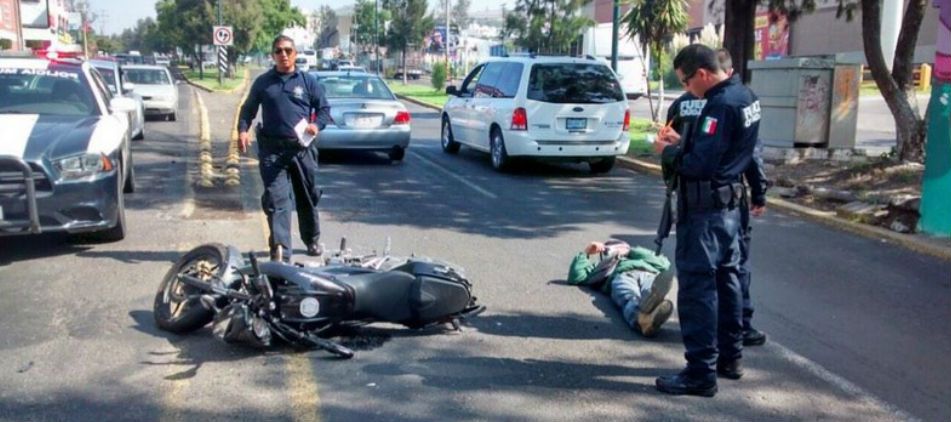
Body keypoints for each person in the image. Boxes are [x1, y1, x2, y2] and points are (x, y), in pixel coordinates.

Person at [652, 44, 762, 397]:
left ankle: (700, 372)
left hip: (705, 212)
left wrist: (668, 151)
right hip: (731, 209)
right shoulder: (745, 96)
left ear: (702, 73)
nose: (687, 90)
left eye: (686, 81)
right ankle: (730, 358)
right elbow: (727, 152)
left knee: (698, 289)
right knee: (728, 281)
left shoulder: (720, 105)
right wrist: (682, 142)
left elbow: (700, 166)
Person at [238, 35, 332, 262]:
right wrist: (242, 130)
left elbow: (324, 110)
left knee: (306, 197)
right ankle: (281, 250)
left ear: (295, 54)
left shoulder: (307, 81)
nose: (284, 55)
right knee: (276, 200)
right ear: (273, 55)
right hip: (272, 151)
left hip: (302, 150)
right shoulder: (263, 82)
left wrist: (315, 125)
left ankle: (311, 239)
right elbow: (248, 109)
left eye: (288, 50)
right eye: (279, 51)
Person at [567, 240, 675, 337]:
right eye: (607, 250)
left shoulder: (639, 255)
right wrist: (587, 252)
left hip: (648, 273)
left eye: (617, 247)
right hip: (622, 276)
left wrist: (630, 251)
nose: (614, 251)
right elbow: (576, 277)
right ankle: (641, 318)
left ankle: (652, 300)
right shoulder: (604, 266)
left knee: (650, 288)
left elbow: (664, 264)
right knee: (628, 295)